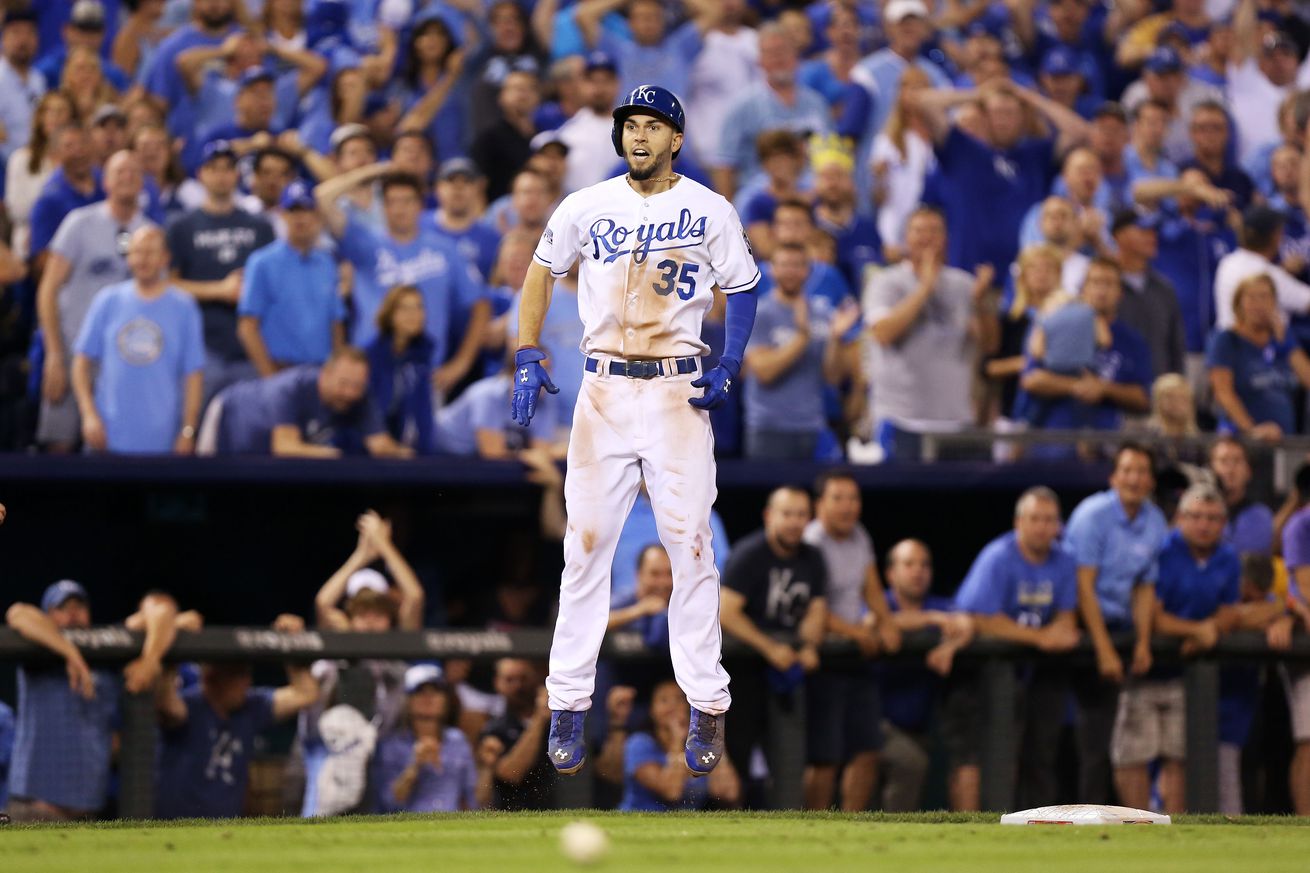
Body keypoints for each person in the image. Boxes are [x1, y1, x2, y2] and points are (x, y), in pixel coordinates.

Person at [514, 85, 760, 777]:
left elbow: (743, 286)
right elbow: (540, 269)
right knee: (584, 547)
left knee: (691, 548)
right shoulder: (586, 205)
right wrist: (527, 347)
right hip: (603, 389)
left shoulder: (709, 208)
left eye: (653, 125)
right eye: (631, 125)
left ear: (676, 138)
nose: (640, 136)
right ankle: (567, 703)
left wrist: (732, 360)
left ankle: (707, 703)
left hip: (678, 387)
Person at [1110, 483, 1238, 814]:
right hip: (1146, 666)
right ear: (1180, 518)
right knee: (1133, 756)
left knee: (1179, 756)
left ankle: (1170, 831)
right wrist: (1198, 630)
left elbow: (1229, 611)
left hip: (1188, 674)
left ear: (1223, 523)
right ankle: (1137, 831)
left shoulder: (1228, 557)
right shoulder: (1163, 550)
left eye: (1212, 518)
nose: (1204, 524)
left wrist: (1212, 629)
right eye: (1196, 516)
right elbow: (1152, 615)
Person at [4, 581, 178, 821]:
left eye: (79, 605)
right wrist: (71, 653)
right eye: (62, 607)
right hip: (34, 810)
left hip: (88, 816)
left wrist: (151, 659)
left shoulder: (105, 653)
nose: (73, 612)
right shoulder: (38, 656)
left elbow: (161, 610)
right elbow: (18, 614)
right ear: (48, 616)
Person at [953, 487, 1080, 810]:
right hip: (987, 675)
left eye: (1049, 520)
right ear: (1018, 522)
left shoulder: (1064, 560)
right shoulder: (998, 556)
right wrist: (1040, 638)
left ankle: (1038, 831)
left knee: (1041, 757)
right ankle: (978, 831)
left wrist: (1060, 632)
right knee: (992, 757)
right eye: (1035, 519)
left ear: (1058, 526)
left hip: (1039, 676)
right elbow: (982, 618)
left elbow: (1067, 618)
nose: (1041, 527)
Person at [314, 165, 488, 394]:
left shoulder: (445, 249)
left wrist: (461, 363)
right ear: (383, 207)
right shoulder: (366, 243)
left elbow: (480, 305)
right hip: (369, 371)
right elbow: (322, 197)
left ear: (420, 205)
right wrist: (373, 171)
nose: (399, 209)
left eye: (407, 201)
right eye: (392, 202)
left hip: (425, 372)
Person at [1064, 442, 1169, 805]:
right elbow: (1082, 587)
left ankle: (1121, 821)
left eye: (1141, 471)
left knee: (1122, 742)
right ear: (1113, 476)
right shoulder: (1092, 515)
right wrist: (1104, 649)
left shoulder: (1154, 521)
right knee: (1094, 740)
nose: (1134, 478)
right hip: (1082, 631)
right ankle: (1084, 825)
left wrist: (1141, 643)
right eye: (1127, 470)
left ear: (1151, 480)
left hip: (1123, 632)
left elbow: (1144, 586)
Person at [35, 149, 154, 452]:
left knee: (111, 452)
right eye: (119, 172)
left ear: (144, 183)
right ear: (105, 183)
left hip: (124, 364)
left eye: (133, 172)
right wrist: (53, 354)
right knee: (59, 446)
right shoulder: (79, 223)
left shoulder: (151, 234)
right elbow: (48, 290)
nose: (127, 177)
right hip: (73, 352)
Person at [912, 79, 1090, 275]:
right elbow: (925, 103)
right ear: (984, 117)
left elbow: (1080, 132)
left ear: (1022, 117)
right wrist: (978, 94)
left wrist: (1031, 98)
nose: (1003, 120)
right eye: (996, 113)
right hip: (967, 274)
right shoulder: (962, 149)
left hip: (1023, 279)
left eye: (1010, 113)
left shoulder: (1036, 155)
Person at [720, 486, 828, 803]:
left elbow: (816, 609)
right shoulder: (749, 554)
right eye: (787, 514)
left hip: (786, 674)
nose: (794, 522)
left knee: (789, 760)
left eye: (801, 515)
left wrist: (809, 645)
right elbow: (726, 612)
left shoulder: (812, 557)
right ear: (769, 516)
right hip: (741, 673)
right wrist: (770, 648)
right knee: (737, 755)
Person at [153, 614, 320, 820]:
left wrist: (292, 646)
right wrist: (173, 643)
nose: (247, 681)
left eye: (247, 673)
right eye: (238, 674)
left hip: (225, 830)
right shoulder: (190, 706)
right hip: (176, 828)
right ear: (211, 679)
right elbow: (164, 703)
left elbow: (306, 694)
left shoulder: (251, 706)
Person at [801, 470, 900, 811]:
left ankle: (850, 826)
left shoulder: (859, 536)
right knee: (825, 756)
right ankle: (813, 830)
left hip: (856, 658)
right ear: (820, 505)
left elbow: (871, 587)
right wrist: (859, 632)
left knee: (867, 749)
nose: (847, 507)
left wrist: (887, 623)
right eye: (838, 498)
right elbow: (812, 607)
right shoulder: (809, 541)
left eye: (853, 498)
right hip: (822, 656)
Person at [867, 206, 997, 460]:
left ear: (946, 239)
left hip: (957, 421)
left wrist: (981, 304)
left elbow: (990, 345)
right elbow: (883, 333)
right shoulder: (886, 282)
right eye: (918, 231)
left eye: (934, 231)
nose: (926, 237)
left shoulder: (964, 284)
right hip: (902, 420)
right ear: (906, 238)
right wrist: (925, 287)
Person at [71, 226, 204, 455]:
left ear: (165, 259)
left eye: (150, 252)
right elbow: (81, 363)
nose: (143, 259)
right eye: (137, 251)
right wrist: (89, 415)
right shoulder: (107, 300)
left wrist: (188, 430)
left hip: (163, 442)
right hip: (107, 438)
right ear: (129, 257)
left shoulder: (184, 306)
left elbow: (194, 375)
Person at [165, 139, 276, 404]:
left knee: (250, 434)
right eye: (213, 168)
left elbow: (274, 283)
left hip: (252, 346)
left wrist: (250, 291)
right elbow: (167, 284)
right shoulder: (181, 227)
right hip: (202, 346)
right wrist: (219, 290)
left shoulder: (261, 227)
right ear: (200, 174)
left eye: (228, 168)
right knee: (201, 431)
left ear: (237, 175)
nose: (221, 175)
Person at [743, 242, 860, 460]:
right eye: (785, 265)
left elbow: (832, 377)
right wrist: (802, 337)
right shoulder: (760, 312)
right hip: (769, 427)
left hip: (812, 425)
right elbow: (764, 371)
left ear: (808, 270)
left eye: (797, 265)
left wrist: (835, 339)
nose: (791, 272)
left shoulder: (823, 313)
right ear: (772, 269)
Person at [879, 539, 973, 811]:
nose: (918, 571)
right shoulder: (881, 603)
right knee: (910, 761)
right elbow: (878, 622)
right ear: (890, 574)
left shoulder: (939, 604)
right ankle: (888, 833)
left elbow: (967, 622)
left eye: (924, 565)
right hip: (873, 719)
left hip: (920, 722)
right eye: (909, 564)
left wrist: (949, 647)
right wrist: (932, 619)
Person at [199, 347, 413, 459]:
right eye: (344, 384)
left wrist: (405, 454)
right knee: (209, 486)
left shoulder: (360, 396)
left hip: (261, 451)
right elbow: (284, 447)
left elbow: (380, 445)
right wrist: (333, 455)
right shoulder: (292, 387)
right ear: (325, 375)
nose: (350, 392)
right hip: (228, 415)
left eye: (357, 386)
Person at [1020, 258, 1153, 435]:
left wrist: (1105, 388)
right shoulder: (1055, 322)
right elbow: (1031, 379)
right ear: (1083, 289)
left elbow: (1143, 398)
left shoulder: (1132, 340)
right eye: (1095, 282)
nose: (1101, 290)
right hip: (1052, 434)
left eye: (1109, 283)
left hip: (1106, 438)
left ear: (1120, 292)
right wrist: (1076, 386)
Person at [712, 23, 833, 198]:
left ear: (796, 55)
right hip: (761, 202)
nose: (778, 58)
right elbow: (725, 165)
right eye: (771, 53)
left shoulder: (817, 104)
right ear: (759, 60)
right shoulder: (742, 107)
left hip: (811, 201)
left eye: (783, 50)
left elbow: (830, 156)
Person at [237, 181, 344, 375]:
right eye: (293, 211)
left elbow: (335, 322)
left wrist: (335, 371)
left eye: (306, 211)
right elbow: (247, 327)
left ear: (317, 217)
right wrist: (269, 376)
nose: (300, 218)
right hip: (281, 368)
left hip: (321, 372)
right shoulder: (262, 262)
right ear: (282, 215)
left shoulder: (327, 262)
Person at [1209, 274, 1310, 441]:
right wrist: (1252, 431)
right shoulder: (1226, 340)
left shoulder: (1282, 340)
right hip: (1242, 441)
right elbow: (1223, 393)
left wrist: (1287, 343)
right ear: (1239, 303)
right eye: (1251, 297)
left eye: (1265, 297)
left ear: (1275, 303)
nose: (1258, 304)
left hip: (1284, 442)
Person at [617, 679, 741, 811]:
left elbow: (728, 794)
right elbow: (671, 792)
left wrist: (714, 739)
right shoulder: (639, 743)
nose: (672, 707)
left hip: (684, 829)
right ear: (652, 710)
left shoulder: (700, 746)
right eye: (664, 700)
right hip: (641, 823)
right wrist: (677, 740)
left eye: (679, 699)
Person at [375, 667, 481, 812]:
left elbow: (473, 799)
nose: (428, 698)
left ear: (445, 700)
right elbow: (388, 802)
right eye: (420, 692)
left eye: (436, 691)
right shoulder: (391, 746)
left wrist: (487, 767)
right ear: (408, 700)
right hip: (409, 825)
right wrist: (415, 766)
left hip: (451, 824)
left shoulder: (458, 740)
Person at [1112, 208, 1186, 378]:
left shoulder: (1164, 289)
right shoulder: (1102, 284)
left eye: (1154, 231)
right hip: (1113, 393)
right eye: (1143, 230)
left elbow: (1175, 346)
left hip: (1158, 391)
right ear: (1119, 236)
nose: (1152, 237)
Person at [1214, 205, 1310, 333]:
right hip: (1252, 348)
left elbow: (1254, 272)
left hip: (1225, 345)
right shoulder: (1270, 275)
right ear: (1275, 237)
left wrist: (1283, 271)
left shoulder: (1227, 263)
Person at [365, 285, 437, 455]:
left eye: (419, 307)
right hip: (372, 449)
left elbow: (424, 413)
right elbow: (369, 411)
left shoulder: (423, 356)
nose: (414, 314)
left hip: (408, 452)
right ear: (390, 314)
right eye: (405, 308)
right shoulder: (370, 356)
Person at [477, 659, 556, 810]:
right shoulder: (494, 728)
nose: (518, 686)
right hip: (512, 814)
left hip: (557, 809)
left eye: (523, 678)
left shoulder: (555, 721)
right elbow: (511, 774)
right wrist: (539, 718)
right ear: (497, 683)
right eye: (510, 680)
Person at [1278, 465, 1310, 815]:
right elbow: (1306, 591)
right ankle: (1306, 826)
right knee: (1309, 741)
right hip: (1304, 642)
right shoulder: (1300, 524)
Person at [1209, 436, 1274, 557]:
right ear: (1211, 468)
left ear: (1248, 471)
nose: (1230, 468)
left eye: (1237, 461)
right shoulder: (1197, 514)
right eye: (1223, 461)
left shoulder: (1261, 516)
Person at [0, 9, 46, 170]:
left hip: (34, 164)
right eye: (16, 32)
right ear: (3, 38)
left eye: (29, 33)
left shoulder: (38, 80)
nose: (23, 40)